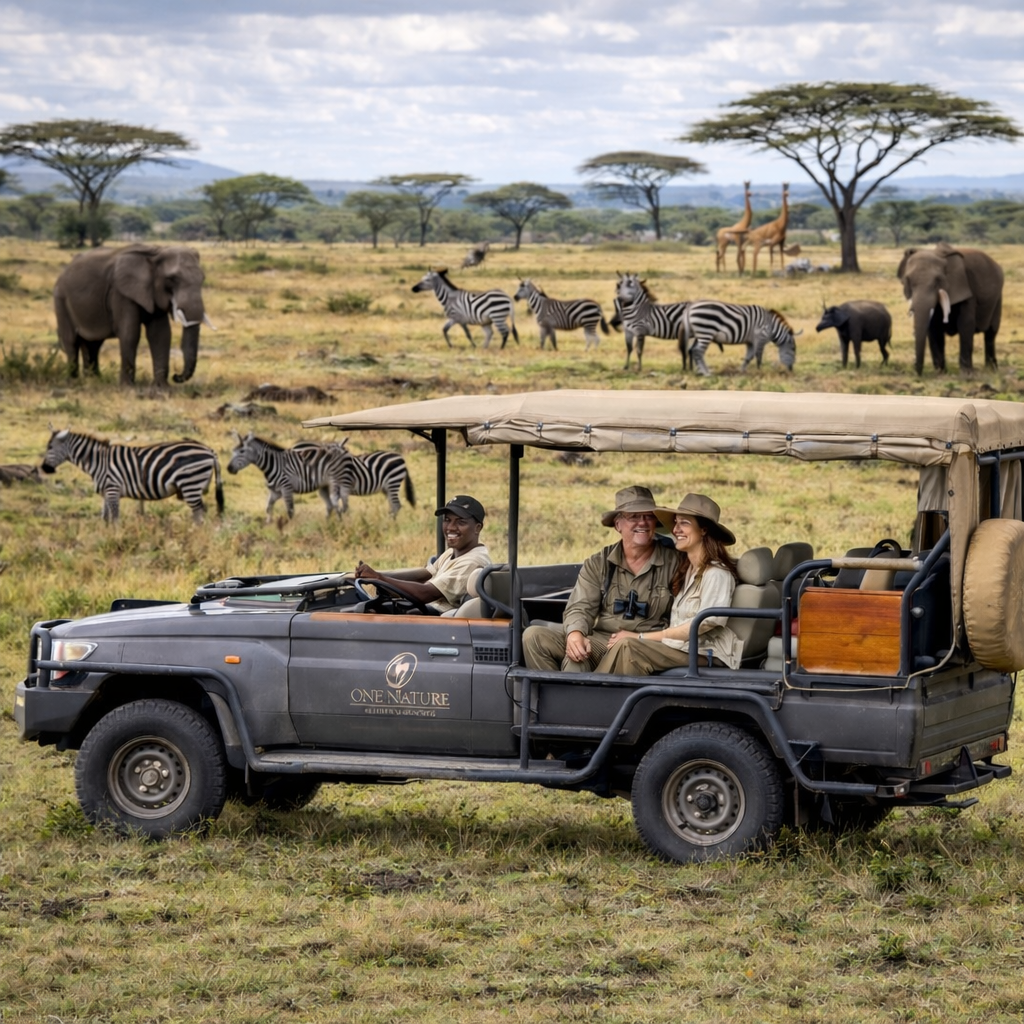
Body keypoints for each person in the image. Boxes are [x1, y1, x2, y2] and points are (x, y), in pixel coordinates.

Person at [522, 485, 679, 672]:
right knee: (535, 636)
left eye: (648, 516)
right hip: (603, 640)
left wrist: (645, 637)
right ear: (618, 524)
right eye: (634, 517)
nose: (643, 523)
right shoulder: (600, 563)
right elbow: (581, 606)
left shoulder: (675, 563)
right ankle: (553, 699)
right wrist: (575, 634)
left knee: (579, 662)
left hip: (644, 645)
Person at [595, 493, 742, 675]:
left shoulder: (717, 574)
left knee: (629, 646)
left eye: (684, 523)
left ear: (703, 530)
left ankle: (589, 696)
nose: (676, 530)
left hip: (706, 654)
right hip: (681, 649)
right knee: (622, 645)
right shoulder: (687, 570)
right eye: (676, 522)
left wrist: (640, 636)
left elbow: (703, 624)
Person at [355, 494, 491, 614]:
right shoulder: (454, 552)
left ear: (477, 528)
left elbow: (425, 593)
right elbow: (425, 573)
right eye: (447, 520)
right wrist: (378, 575)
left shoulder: (472, 561)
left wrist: (379, 578)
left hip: (440, 622)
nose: (450, 527)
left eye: (460, 522)